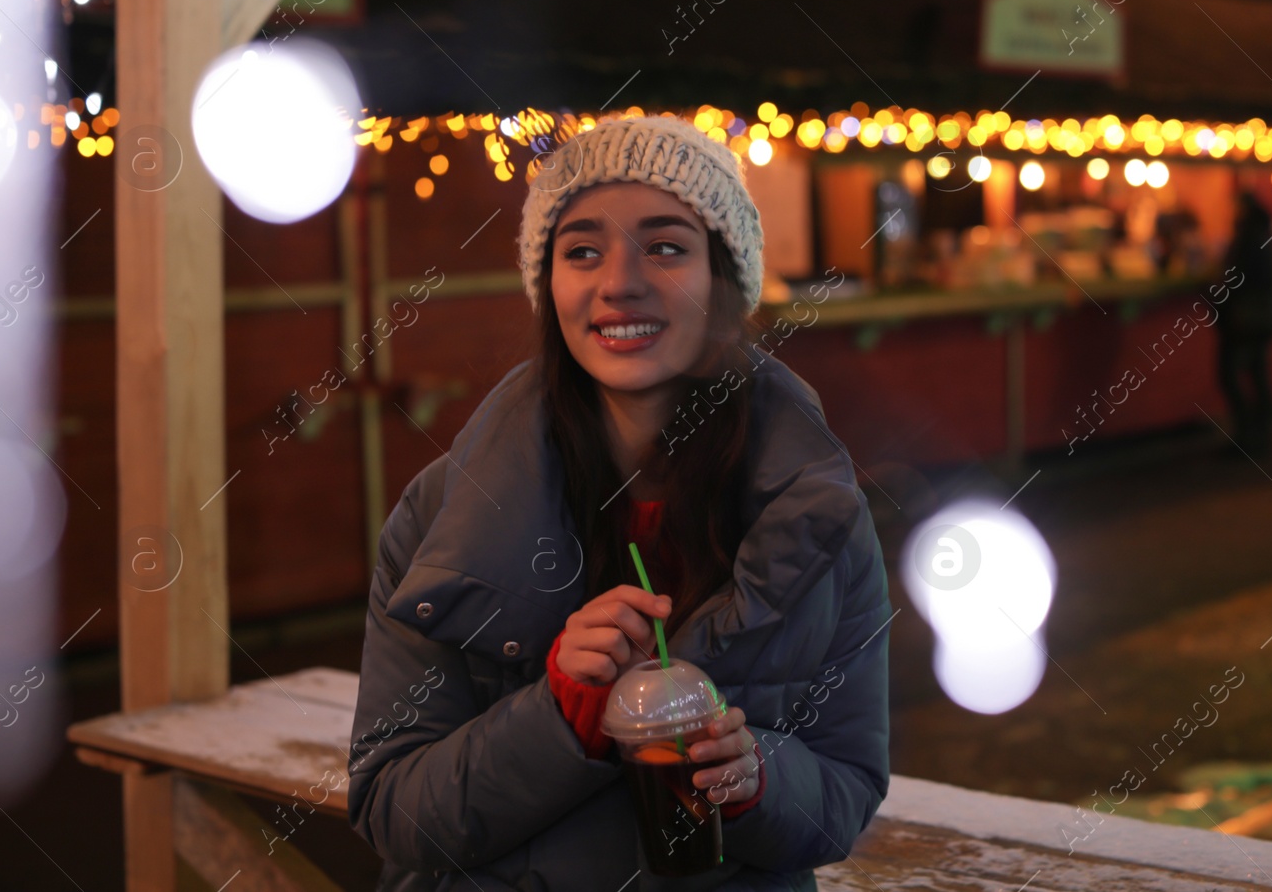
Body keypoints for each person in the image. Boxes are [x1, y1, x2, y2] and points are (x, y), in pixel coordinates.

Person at [347, 114, 893, 891]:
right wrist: (562, 713)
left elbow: (845, 793)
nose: (619, 281)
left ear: (723, 280)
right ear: (550, 287)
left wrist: (758, 776)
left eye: (666, 245)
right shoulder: (443, 516)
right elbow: (394, 808)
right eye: (581, 251)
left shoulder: (817, 513)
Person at [1215, 188, 1272, 456]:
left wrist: (1215, 300)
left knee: (1230, 374)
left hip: (1244, 319)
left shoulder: (1246, 238)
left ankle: (1245, 436)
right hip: (1264, 318)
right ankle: (1260, 434)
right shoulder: (1265, 235)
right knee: (1257, 374)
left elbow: (1234, 278)